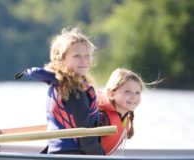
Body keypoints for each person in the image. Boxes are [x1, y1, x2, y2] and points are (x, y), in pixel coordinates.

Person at [15, 27, 104, 155]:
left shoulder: (58, 84)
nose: (84, 60)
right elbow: (85, 134)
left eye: (87, 55)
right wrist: (101, 156)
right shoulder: (74, 90)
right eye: (77, 56)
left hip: (58, 153)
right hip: (72, 155)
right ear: (61, 59)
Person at [97, 68, 148, 155]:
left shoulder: (125, 119)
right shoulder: (103, 117)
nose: (134, 97)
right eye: (128, 92)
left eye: (137, 93)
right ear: (111, 94)